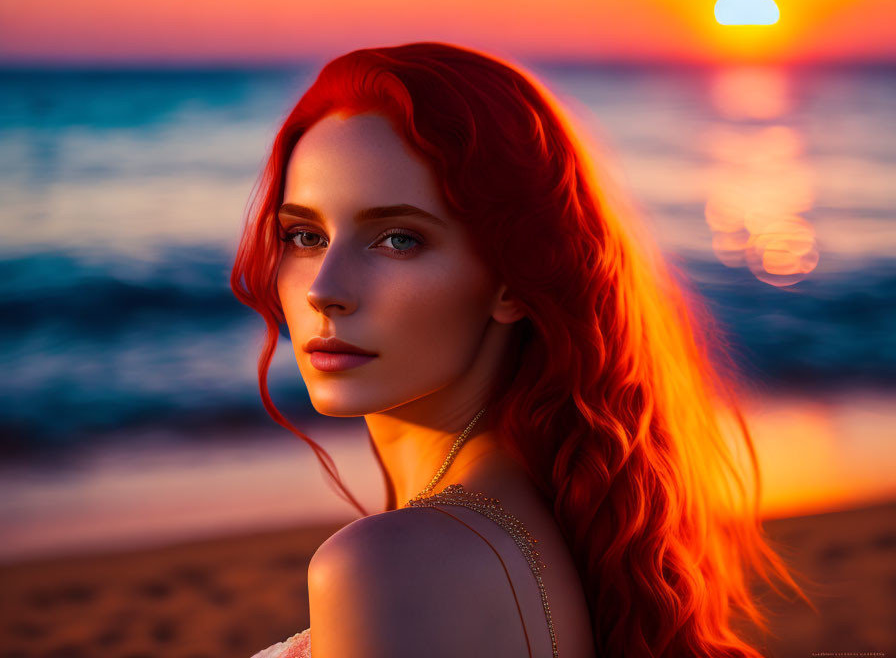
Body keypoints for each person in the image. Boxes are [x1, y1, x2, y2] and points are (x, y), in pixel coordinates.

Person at [231, 42, 814, 658]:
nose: (325, 289)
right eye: (305, 235)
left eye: (398, 239)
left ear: (512, 280)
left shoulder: (391, 565)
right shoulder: (562, 521)